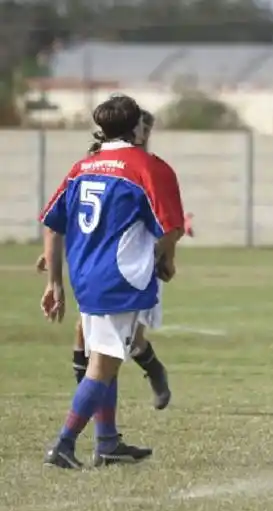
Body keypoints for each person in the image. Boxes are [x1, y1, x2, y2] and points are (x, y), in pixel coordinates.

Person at [40, 95, 185, 469]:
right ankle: (64, 445)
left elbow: (52, 222)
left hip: (85, 274)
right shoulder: (148, 167)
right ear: (137, 126)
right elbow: (172, 225)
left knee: (107, 358)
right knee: (102, 364)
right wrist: (167, 257)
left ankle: (107, 442)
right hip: (119, 277)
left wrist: (54, 282)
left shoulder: (82, 166)